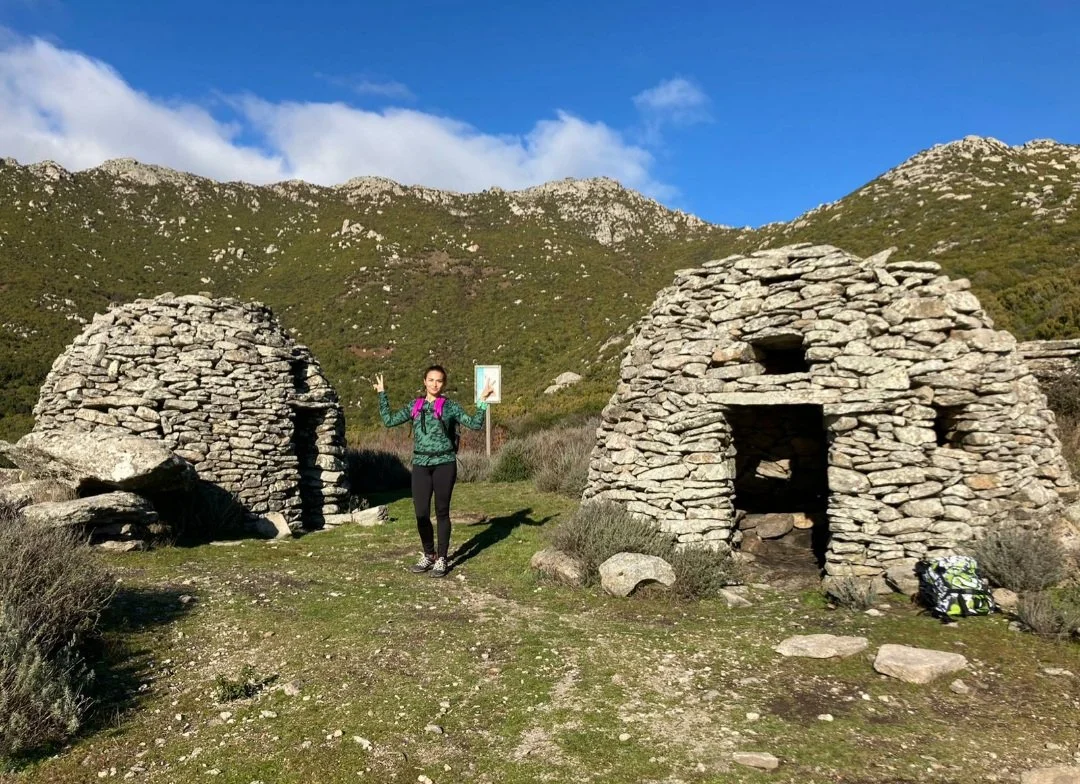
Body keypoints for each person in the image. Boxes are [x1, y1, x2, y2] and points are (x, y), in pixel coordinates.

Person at [374, 365, 494, 578]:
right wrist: (382, 394)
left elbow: (475, 424)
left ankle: (441, 558)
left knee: (441, 512)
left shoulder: (450, 406)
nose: (435, 384)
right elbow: (389, 420)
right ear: (424, 381)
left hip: (445, 464)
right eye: (431, 380)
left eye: (439, 381)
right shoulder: (415, 405)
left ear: (444, 384)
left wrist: (482, 400)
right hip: (420, 464)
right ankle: (428, 553)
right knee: (421, 513)